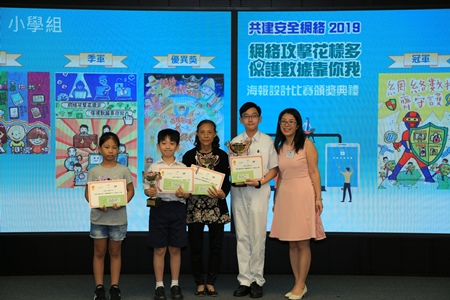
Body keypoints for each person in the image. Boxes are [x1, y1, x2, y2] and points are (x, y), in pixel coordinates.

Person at [269, 108, 325, 300]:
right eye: (283, 121)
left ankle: (301, 284)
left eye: (291, 121)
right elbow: (280, 176)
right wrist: (276, 199)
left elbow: (314, 172)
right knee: (292, 243)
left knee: (302, 242)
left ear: (298, 125)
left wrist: (318, 198)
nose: (287, 125)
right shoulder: (279, 146)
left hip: (303, 194)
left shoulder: (307, 145)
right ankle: (298, 282)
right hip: (285, 195)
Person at [231, 102, 278, 298]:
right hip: (239, 193)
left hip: (259, 191)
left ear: (260, 118)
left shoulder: (267, 141)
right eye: (246, 116)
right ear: (241, 119)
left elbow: (274, 168)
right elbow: (232, 168)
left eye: (254, 115)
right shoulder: (234, 142)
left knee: (258, 237)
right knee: (242, 237)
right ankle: (244, 280)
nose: (250, 119)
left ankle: (257, 280)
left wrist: (260, 181)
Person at [181, 120, 231, 297]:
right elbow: (185, 181)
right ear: (197, 134)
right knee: (196, 247)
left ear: (215, 134)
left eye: (210, 132)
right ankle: (199, 282)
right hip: (195, 207)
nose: (206, 136)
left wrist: (222, 193)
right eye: (202, 132)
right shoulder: (188, 156)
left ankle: (211, 282)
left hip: (216, 207)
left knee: (216, 247)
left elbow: (227, 182)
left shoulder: (222, 156)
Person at [85, 132, 135, 300]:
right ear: (99, 149)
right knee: (99, 252)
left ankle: (114, 286)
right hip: (99, 219)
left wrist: (122, 201)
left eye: (114, 147)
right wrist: (98, 203)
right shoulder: (93, 171)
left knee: (115, 252)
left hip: (118, 219)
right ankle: (99, 287)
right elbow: (88, 194)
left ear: (119, 150)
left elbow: (130, 191)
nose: (111, 151)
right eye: (107, 147)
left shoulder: (124, 170)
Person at [144, 128, 190, 300]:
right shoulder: (153, 167)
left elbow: (188, 193)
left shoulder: (183, 168)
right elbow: (147, 189)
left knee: (175, 248)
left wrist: (183, 194)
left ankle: (175, 284)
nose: (168, 147)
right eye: (164, 143)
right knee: (160, 249)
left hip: (178, 209)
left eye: (171, 143)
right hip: (159, 208)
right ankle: (159, 285)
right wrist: (149, 191)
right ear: (158, 145)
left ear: (177, 146)